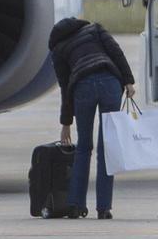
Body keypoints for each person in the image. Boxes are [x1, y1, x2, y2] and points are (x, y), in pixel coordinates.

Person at [49, 17, 138, 220]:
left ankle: (75, 206)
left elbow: (65, 88)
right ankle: (104, 208)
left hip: (83, 88)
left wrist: (66, 124)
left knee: (83, 149)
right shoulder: (95, 30)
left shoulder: (58, 49)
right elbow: (117, 53)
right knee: (106, 149)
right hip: (110, 84)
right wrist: (128, 81)